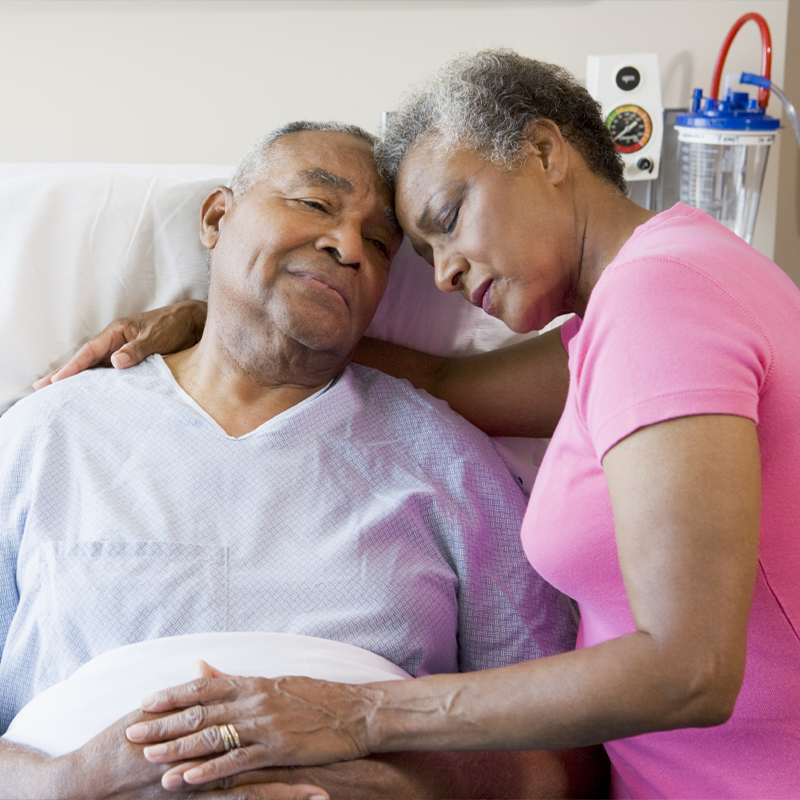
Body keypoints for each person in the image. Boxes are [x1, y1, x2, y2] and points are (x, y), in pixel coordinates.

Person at [51, 51, 800, 798]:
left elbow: (689, 668)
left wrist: (360, 716)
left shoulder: (660, 299)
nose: (442, 275)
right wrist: (224, 319)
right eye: (422, 252)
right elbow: (442, 379)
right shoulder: (636, 311)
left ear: (544, 152)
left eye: (445, 222)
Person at [0, 121, 603, 799]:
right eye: (316, 204)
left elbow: (566, 758)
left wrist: (400, 784)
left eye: (379, 244)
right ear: (217, 217)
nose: (348, 246)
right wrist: (70, 779)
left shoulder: (451, 462)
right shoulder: (45, 438)